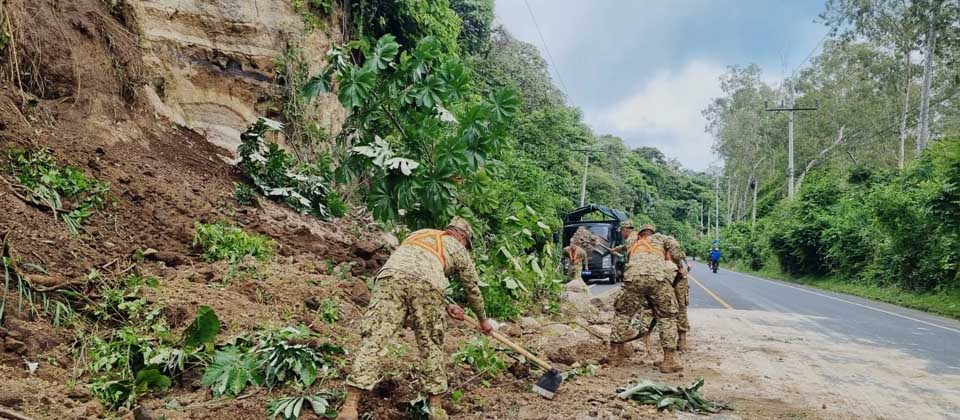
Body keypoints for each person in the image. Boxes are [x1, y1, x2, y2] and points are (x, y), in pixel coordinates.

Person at [338, 217, 492, 420]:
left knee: (375, 338)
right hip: (427, 284)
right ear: (462, 237)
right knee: (430, 343)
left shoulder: (418, 234)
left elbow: (410, 270)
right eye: (466, 243)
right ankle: (435, 408)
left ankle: (349, 407)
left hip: (389, 278)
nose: (465, 246)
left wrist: (445, 304)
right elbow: (471, 288)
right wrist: (483, 320)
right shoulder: (458, 248)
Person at [608, 224, 684, 373]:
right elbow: (676, 252)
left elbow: (624, 252)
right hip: (658, 279)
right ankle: (668, 361)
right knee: (667, 317)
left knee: (622, 314)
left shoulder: (633, 242)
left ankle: (613, 356)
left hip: (633, 279)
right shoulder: (662, 238)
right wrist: (680, 265)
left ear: (640, 234)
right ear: (653, 233)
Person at [662, 235, 690, 351]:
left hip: (676, 277)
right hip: (670, 277)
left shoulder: (662, 246)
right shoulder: (660, 247)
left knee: (679, 307)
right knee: (678, 307)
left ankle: (681, 339)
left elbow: (683, 267)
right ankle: (679, 339)